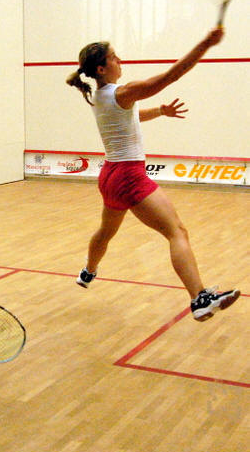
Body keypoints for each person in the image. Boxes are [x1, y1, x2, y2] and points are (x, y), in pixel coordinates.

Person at [66, 26, 240, 321]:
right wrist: (205, 44)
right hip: (129, 176)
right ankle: (199, 298)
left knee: (106, 232)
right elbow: (171, 76)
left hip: (110, 176)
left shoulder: (100, 96)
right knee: (176, 232)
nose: (120, 60)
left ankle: (88, 271)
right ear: (101, 68)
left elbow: (129, 117)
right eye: (114, 57)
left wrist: (159, 111)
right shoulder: (123, 92)